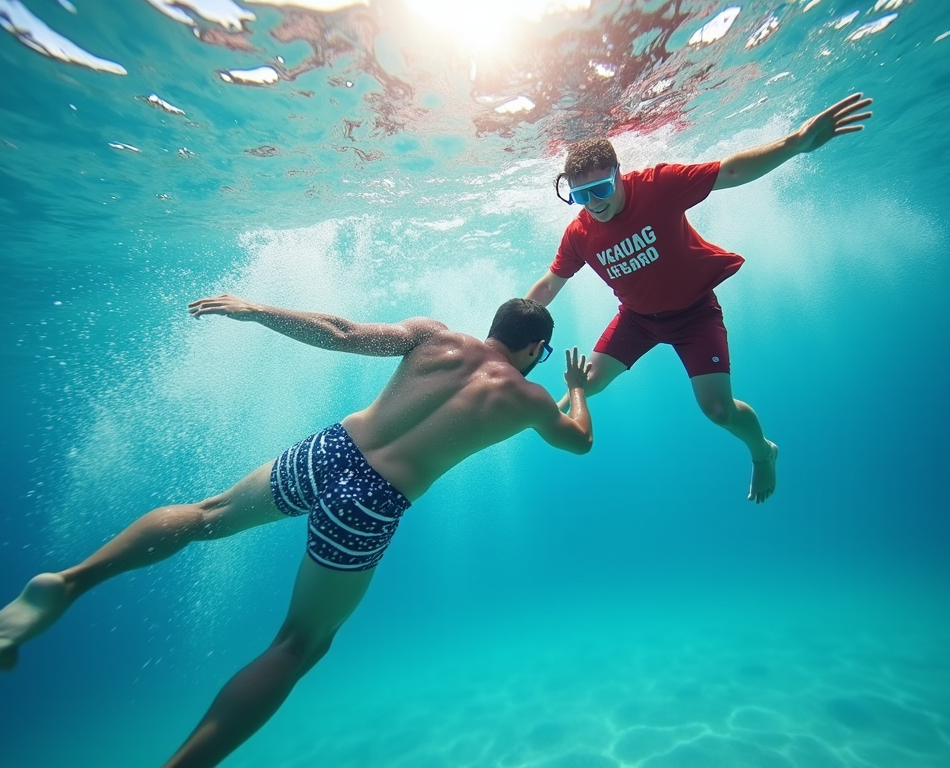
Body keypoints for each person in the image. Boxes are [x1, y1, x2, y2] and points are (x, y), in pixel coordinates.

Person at [0, 294, 593, 768]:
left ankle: (71, 581)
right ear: (537, 348)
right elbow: (579, 441)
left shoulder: (433, 336)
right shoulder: (532, 399)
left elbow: (338, 330)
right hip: (371, 502)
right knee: (299, 644)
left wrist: (259, 311)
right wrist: (575, 389)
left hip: (331, 449)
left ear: (493, 326)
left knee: (207, 515)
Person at [526, 93, 874, 504]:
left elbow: (729, 171)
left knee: (718, 411)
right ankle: (534, 416)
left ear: (620, 175)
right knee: (583, 388)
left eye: (600, 189)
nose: (594, 204)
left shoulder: (658, 186)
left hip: (694, 315)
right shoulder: (579, 233)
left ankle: (764, 452)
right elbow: (549, 285)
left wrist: (795, 143)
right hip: (637, 319)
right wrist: (502, 341)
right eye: (581, 196)